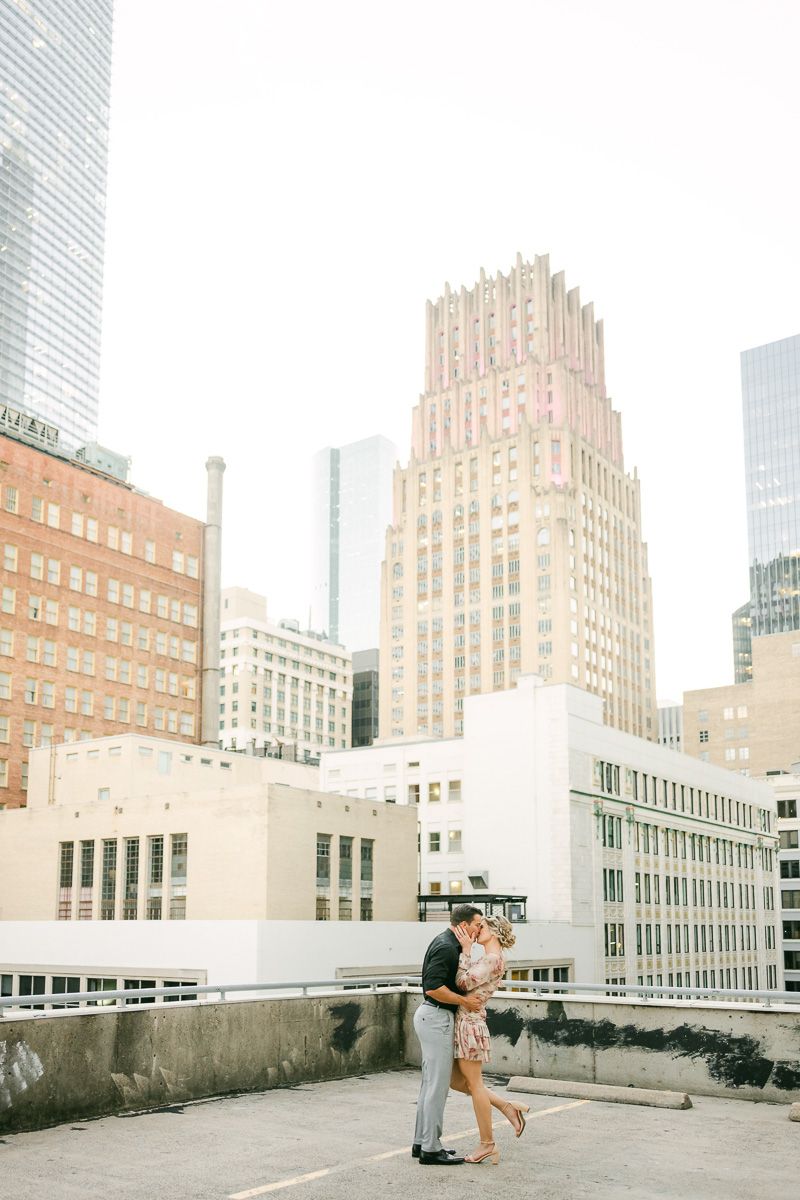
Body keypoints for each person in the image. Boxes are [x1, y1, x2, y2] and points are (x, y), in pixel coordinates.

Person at [450, 913, 530, 1165]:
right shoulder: (489, 958)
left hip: (470, 1026)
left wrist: (464, 950)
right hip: (466, 1023)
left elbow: (462, 983)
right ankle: (508, 1107)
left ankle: (487, 1144)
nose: (476, 931)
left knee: (474, 1086)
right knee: (456, 1082)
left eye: (481, 927)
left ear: (493, 932)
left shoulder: (493, 958)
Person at [412, 903, 484, 1166]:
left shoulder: (447, 942)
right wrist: (465, 1002)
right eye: (478, 925)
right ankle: (431, 1148)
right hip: (436, 1018)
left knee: (429, 1084)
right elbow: (433, 988)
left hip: (433, 1017)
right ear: (464, 926)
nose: (480, 930)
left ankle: (422, 1142)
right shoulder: (446, 946)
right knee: (437, 1086)